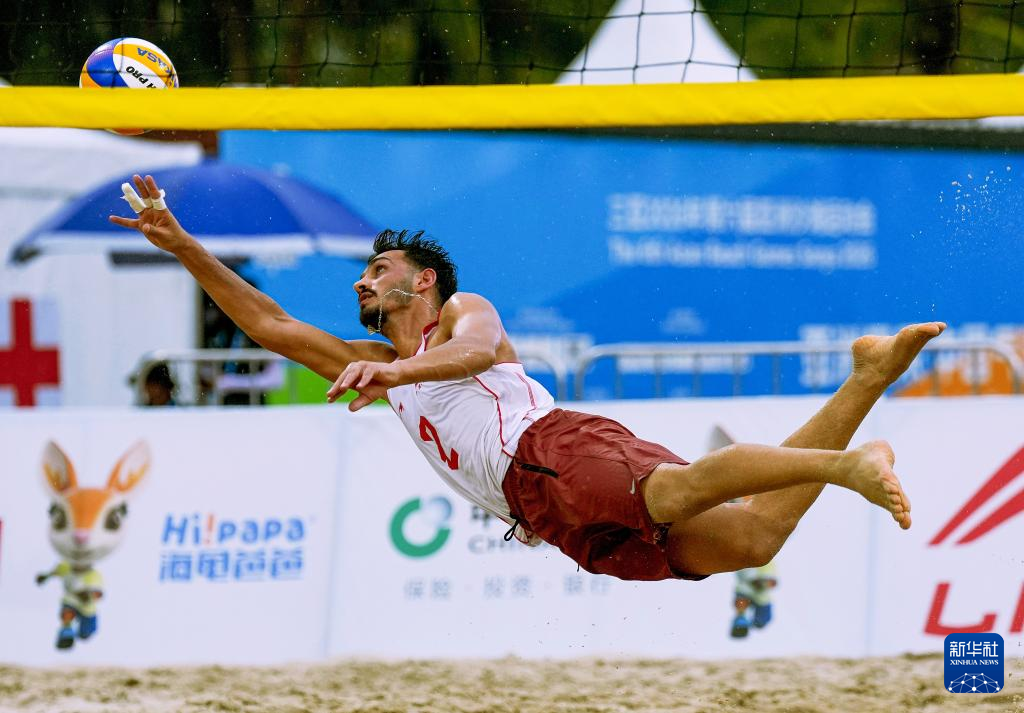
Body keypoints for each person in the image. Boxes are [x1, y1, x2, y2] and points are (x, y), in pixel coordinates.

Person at [110, 174, 945, 582]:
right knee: (752, 542)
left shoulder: (460, 311)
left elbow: (476, 355)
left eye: (380, 268)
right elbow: (268, 323)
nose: (364, 280)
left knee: (680, 487)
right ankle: (867, 378)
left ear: (422, 281)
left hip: (551, 450)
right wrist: (183, 245)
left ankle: (846, 466)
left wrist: (394, 370)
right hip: (541, 508)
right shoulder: (388, 368)